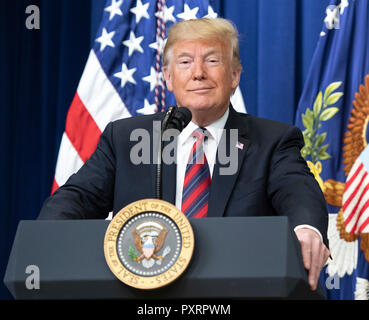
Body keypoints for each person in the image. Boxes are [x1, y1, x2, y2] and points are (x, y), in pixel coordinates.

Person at [38, 18, 330, 291]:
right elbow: (76, 198)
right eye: (185, 62)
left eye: (212, 61)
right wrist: (48, 238)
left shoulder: (272, 141)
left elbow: (299, 193)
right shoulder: (125, 138)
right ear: (168, 76)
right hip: (142, 295)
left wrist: (307, 229)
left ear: (234, 75)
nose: (198, 73)